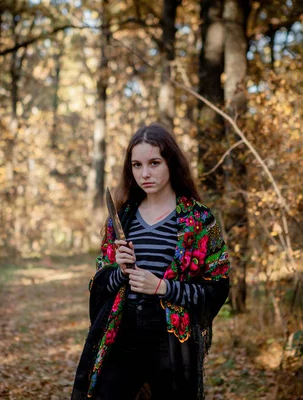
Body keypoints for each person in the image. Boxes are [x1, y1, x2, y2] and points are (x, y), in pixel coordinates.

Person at [71, 123, 231, 400]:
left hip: (170, 344)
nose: (145, 173)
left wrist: (163, 288)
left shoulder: (200, 221)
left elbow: (218, 288)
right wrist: (119, 273)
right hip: (120, 336)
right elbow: (98, 285)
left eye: (154, 163)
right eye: (137, 165)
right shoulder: (122, 219)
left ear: (171, 163)